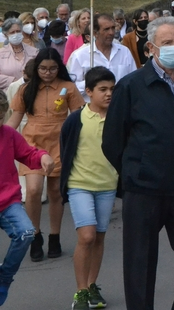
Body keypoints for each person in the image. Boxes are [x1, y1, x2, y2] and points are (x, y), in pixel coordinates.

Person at [102, 16, 174, 309]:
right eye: (167, 43)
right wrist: (134, 172)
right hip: (145, 188)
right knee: (140, 266)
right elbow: (112, 140)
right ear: (151, 48)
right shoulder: (131, 86)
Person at [6, 48, 84, 262]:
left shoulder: (68, 87)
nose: (47, 73)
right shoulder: (26, 90)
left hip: (60, 141)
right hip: (31, 143)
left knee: (56, 193)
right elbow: (14, 119)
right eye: (43, 68)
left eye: (52, 68)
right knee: (32, 190)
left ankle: (55, 237)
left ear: (59, 68)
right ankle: (35, 235)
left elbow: (79, 116)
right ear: (36, 68)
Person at [60, 67, 119, 310]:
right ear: (88, 92)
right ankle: (81, 291)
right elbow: (66, 149)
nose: (108, 94)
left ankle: (92, 285)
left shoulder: (118, 118)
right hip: (80, 185)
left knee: (99, 237)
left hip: (107, 186)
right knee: (87, 236)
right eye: (102, 89)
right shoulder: (76, 119)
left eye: (112, 89)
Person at [0, 121, 54, 307]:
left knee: (26, 232)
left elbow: (28, 153)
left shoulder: (7, 133)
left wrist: (43, 157)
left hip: (7, 202)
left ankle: (4, 277)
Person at [66, 13, 138, 98]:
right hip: (92, 108)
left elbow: (134, 80)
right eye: (106, 29)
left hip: (120, 105)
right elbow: (73, 88)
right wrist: (92, 81)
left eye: (113, 28)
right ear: (95, 33)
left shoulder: (124, 52)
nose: (111, 33)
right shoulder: (80, 56)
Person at [0, 18, 38, 94]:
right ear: (6, 35)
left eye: (18, 31)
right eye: (12, 32)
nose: (16, 34)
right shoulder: (1, 53)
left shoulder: (34, 52)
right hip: (8, 95)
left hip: (31, 93)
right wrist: (15, 81)